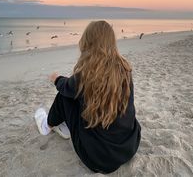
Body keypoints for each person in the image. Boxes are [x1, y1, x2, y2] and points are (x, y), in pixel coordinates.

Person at [34, 20, 141, 174]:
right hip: (128, 148)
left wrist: (56, 78)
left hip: (96, 159)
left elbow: (66, 86)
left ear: (87, 42)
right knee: (91, 99)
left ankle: (47, 126)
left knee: (64, 96)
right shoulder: (124, 69)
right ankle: (63, 127)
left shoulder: (86, 75)